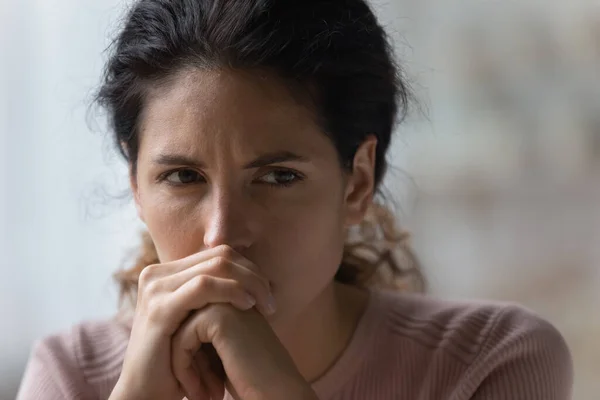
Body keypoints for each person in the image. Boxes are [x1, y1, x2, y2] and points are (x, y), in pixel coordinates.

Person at [17, 0, 573, 399]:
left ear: (355, 182)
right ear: (137, 186)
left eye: (279, 177)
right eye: (183, 177)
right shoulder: (72, 378)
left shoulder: (489, 363)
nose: (222, 235)